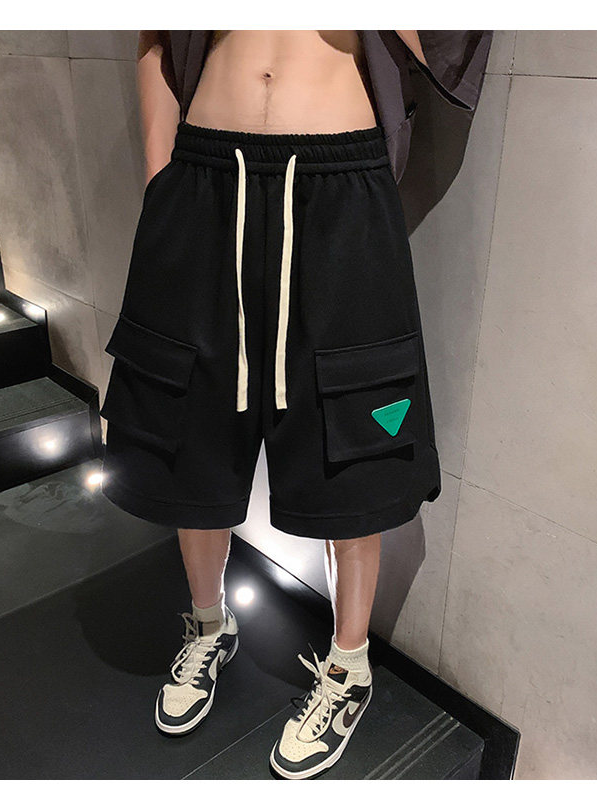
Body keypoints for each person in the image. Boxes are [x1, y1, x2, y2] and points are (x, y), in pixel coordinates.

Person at [99, 30, 491, 779]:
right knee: (193, 421)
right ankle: (208, 625)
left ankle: (349, 665)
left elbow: (446, 39)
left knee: (354, 433)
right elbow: (155, 38)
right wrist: (161, 184)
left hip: (340, 183)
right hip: (204, 177)